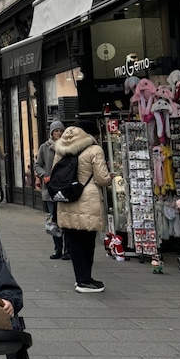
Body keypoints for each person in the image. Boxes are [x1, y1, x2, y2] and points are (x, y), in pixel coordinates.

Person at [52, 123, 113, 293]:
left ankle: (80, 278)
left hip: (66, 198)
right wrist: (110, 178)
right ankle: (85, 280)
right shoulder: (94, 150)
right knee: (87, 241)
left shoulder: (61, 150)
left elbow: (55, 173)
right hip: (87, 199)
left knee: (74, 242)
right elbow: (101, 178)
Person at [34, 120, 70, 260]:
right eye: (56, 131)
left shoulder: (68, 147)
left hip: (64, 188)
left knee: (66, 220)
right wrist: (45, 175)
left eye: (61, 131)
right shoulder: (45, 147)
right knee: (54, 220)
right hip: (50, 188)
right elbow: (38, 165)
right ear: (51, 132)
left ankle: (68, 249)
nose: (59, 133)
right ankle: (57, 249)